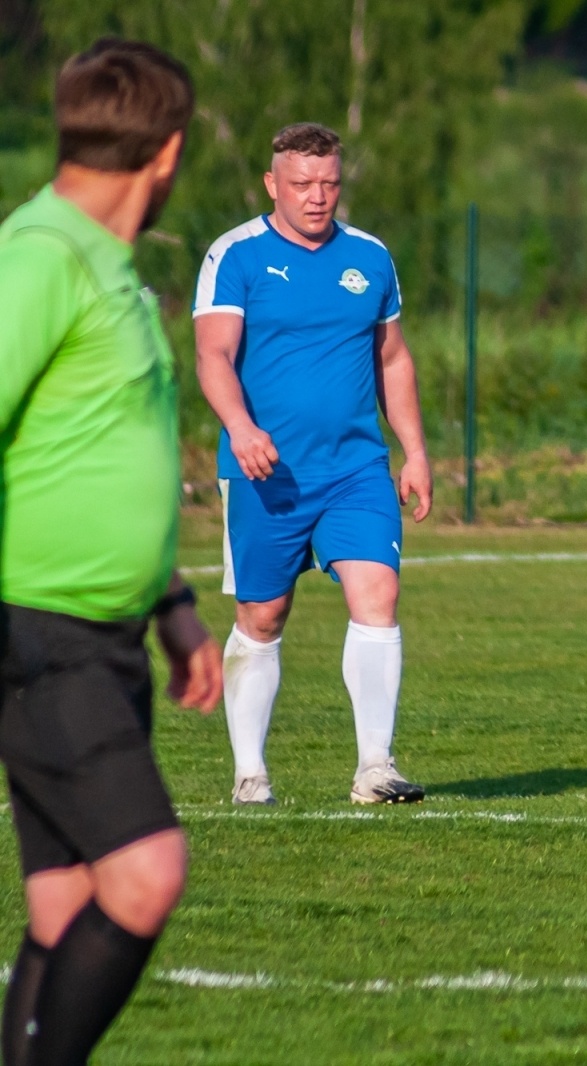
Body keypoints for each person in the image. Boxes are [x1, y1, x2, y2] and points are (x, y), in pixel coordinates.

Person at [0, 38, 224, 1065]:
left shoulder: (107, 268)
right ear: (168, 153)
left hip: (106, 628)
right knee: (146, 873)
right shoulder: (41, 258)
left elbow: (92, 456)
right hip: (42, 630)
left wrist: (173, 603)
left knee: (66, 905)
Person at [192, 123, 433, 807]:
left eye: (328, 183)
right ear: (273, 184)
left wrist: (415, 451)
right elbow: (213, 356)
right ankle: (250, 775)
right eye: (302, 184)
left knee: (378, 598)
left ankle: (375, 767)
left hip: (356, 469)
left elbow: (392, 358)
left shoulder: (371, 258)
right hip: (266, 472)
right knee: (263, 616)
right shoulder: (234, 255)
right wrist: (239, 428)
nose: (317, 197)